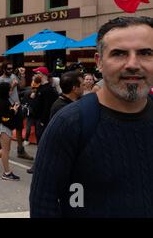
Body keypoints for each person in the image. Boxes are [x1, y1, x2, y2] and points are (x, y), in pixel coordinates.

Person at [30, 16, 153, 217]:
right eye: (119, 53)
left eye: (145, 53)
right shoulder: (69, 124)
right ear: (99, 62)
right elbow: (44, 203)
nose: (133, 64)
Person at [0, 62, 32, 160]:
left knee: (19, 127)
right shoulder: (1, 80)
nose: (10, 70)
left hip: (17, 105)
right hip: (7, 107)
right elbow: (3, 95)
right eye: (8, 69)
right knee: (5, 128)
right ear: (3, 69)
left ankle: (20, 150)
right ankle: (1, 149)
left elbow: (23, 85)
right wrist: (12, 86)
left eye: (11, 68)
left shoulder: (13, 76)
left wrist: (23, 75)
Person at [26, 66, 58, 174]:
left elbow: (48, 107)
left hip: (43, 121)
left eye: (36, 73)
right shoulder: (41, 88)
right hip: (38, 119)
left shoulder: (48, 89)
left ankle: (39, 166)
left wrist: (43, 121)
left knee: (42, 145)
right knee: (41, 144)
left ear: (42, 75)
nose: (34, 76)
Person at [21, 76, 41, 146]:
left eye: (35, 88)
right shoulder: (28, 93)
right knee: (28, 128)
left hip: (38, 114)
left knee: (38, 130)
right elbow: (25, 103)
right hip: (31, 114)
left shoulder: (41, 93)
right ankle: (26, 139)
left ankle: (39, 142)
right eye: (33, 88)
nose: (34, 89)